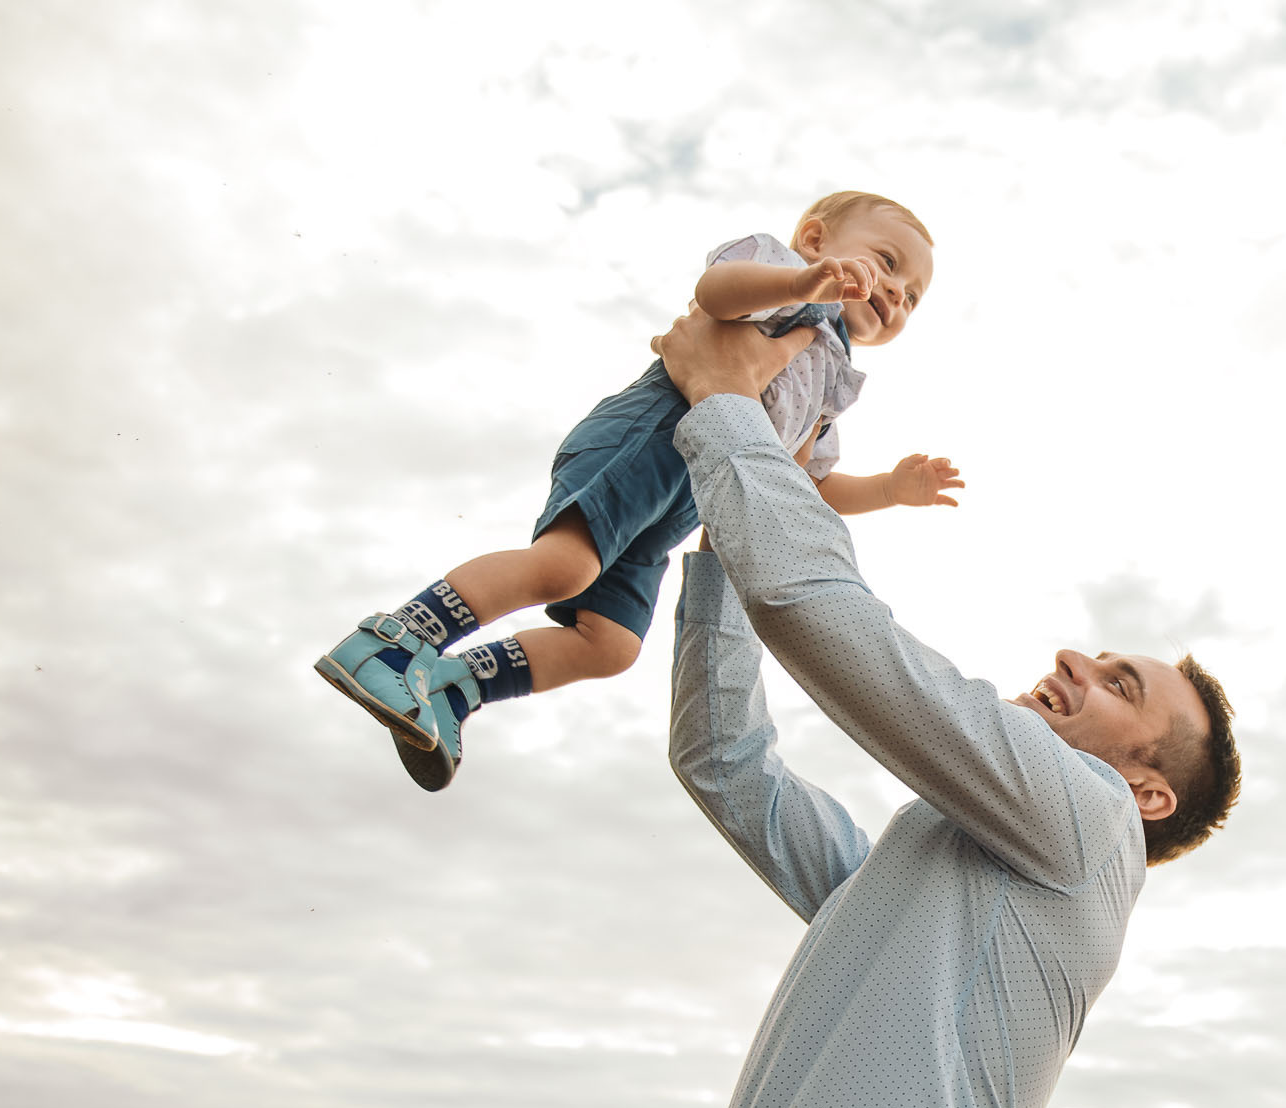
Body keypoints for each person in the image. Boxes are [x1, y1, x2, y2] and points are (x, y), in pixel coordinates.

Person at [647, 309, 1241, 1108]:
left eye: (1122, 686)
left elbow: (831, 617)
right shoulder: (913, 886)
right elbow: (726, 763)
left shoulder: (1089, 830)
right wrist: (718, 547)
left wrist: (727, 415)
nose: (1076, 658)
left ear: (1145, 791)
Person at [312, 191, 961, 790]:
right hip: (650, 436)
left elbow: (803, 484)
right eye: (888, 262)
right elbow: (716, 294)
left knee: (612, 644)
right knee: (565, 567)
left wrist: (889, 489)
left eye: (912, 296)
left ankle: (455, 687)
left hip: (679, 501)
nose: (896, 292)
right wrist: (799, 282)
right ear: (815, 239)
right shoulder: (789, 280)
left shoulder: (831, 385)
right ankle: (394, 643)